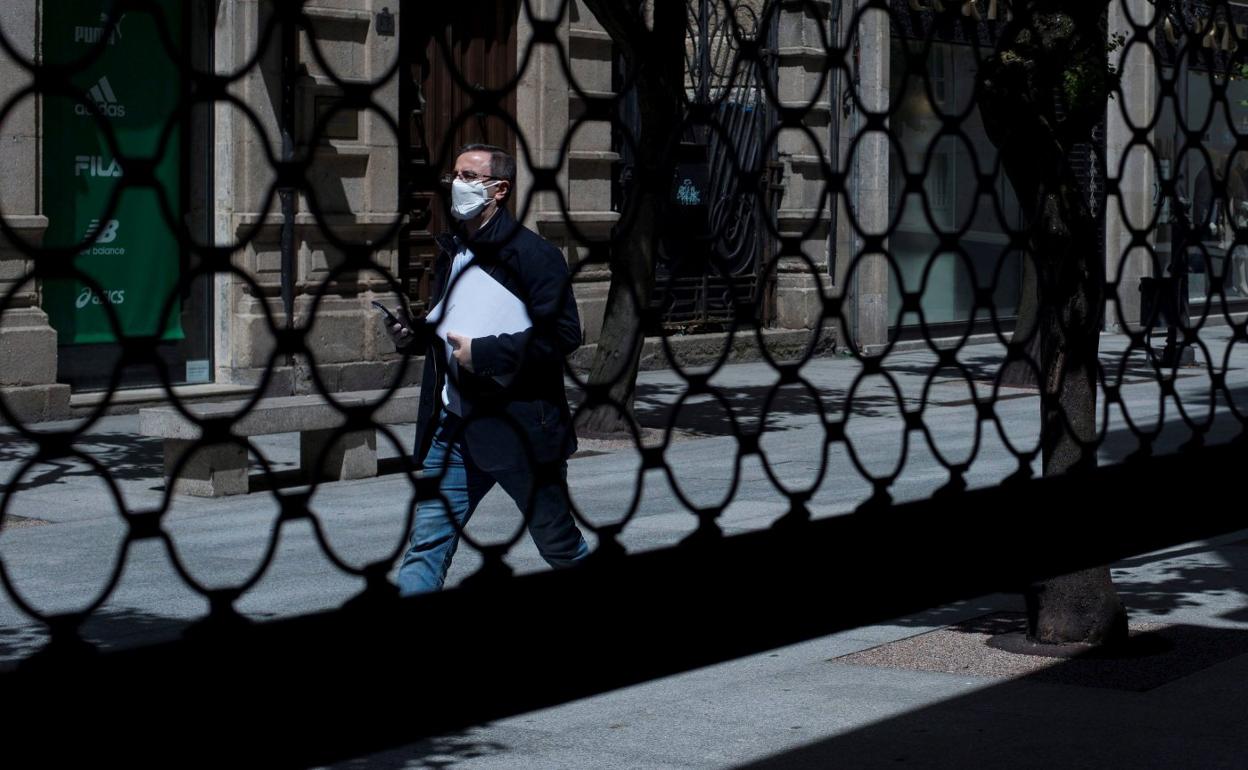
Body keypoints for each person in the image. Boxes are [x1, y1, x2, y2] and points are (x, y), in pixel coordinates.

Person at [385, 144, 590, 595]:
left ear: (499, 190)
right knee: (427, 544)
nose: (458, 184)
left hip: (518, 430)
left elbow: (563, 335)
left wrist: (486, 354)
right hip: (454, 429)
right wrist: (414, 335)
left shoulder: (534, 256)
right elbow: (449, 325)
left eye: (470, 176)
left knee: (559, 546)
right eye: (456, 174)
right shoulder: (451, 252)